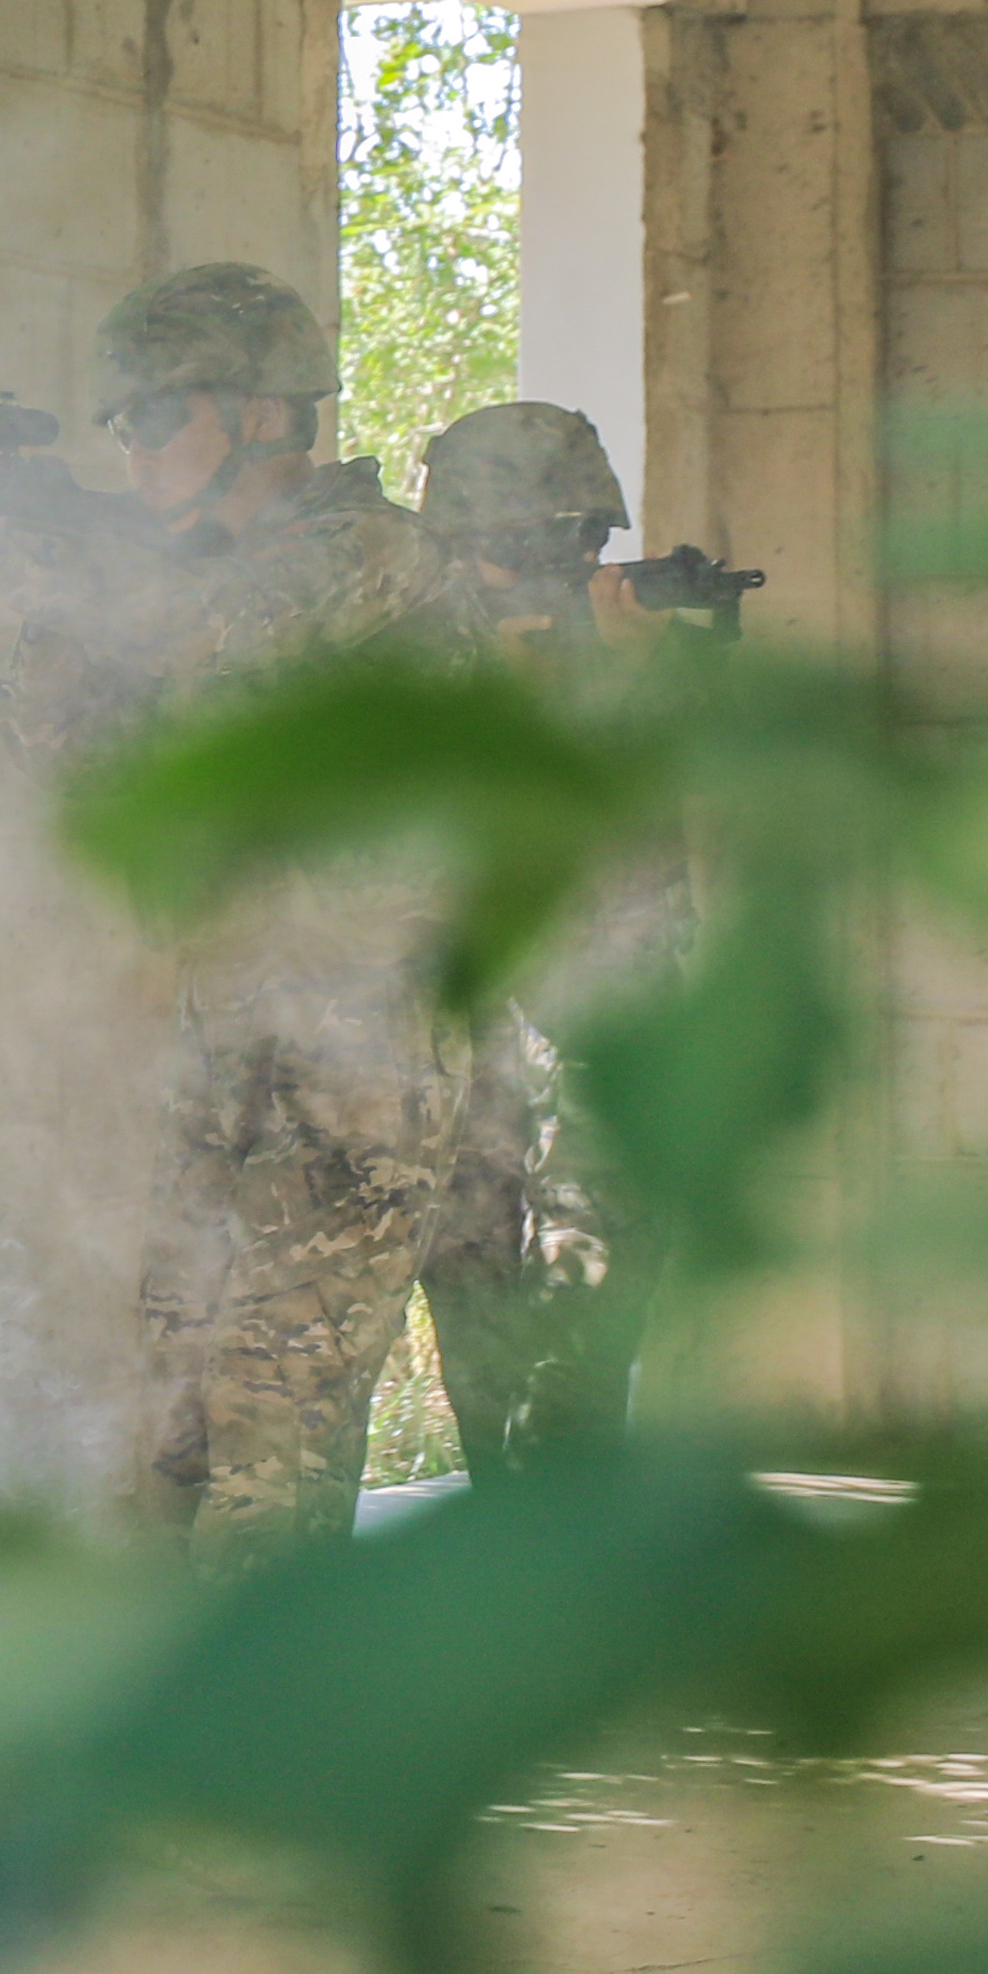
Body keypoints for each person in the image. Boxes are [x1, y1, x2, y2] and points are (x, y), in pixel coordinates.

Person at [90, 262, 468, 1547]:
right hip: (230, 1045)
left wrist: (27, 555)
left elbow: (201, 660)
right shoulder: (221, 564)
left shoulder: (357, 546)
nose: (125, 447)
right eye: (116, 423)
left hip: (352, 1068)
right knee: (168, 1424)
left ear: (258, 413)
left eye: (149, 415)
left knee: (273, 1426)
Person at [409, 397, 670, 1475]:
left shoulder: (632, 653)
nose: (570, 562)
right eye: (534, 545)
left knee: (582, 1301)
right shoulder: (421, 654)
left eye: (582, 541)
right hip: (465, 1026)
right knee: (468, 1287)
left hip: (600, 1024)